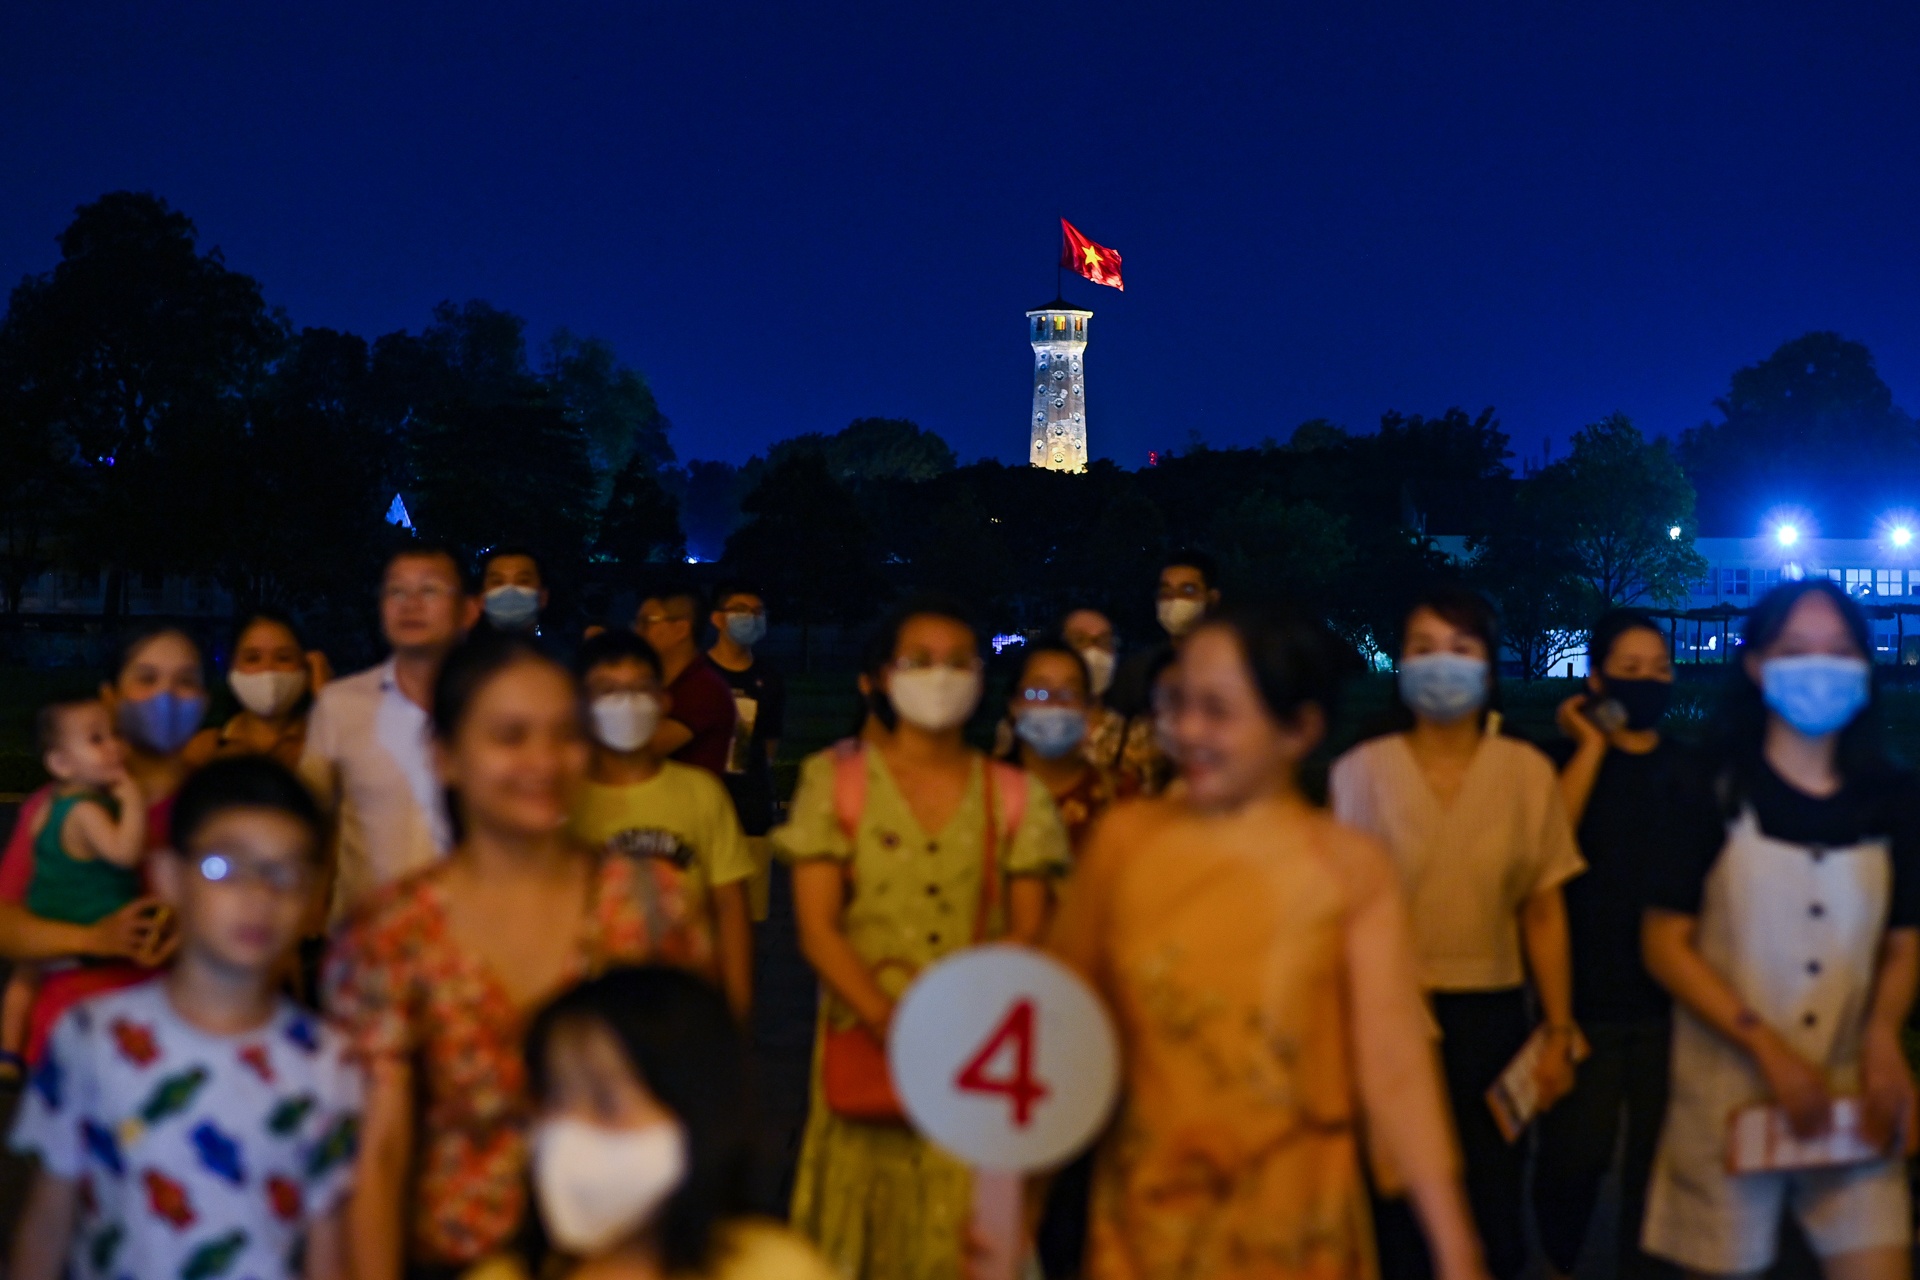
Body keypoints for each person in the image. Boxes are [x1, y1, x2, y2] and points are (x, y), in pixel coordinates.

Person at [1046, 606, 1490, 1280]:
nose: (1188, 730)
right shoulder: (1124, 845)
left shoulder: (1349, 868)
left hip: (1296, 1230)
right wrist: (1005, 1204)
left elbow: (1394, 1062)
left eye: (1218, 710)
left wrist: (1456, 1248)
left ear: (1299, 730)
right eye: (1179, 703)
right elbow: (1050, 1025)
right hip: (1148, 1226)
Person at [328, 634, 712, 1280]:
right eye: (510, 737)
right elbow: (379, 1149)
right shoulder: (392, 933)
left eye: (565, 734)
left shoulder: (651, 905)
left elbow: (694, 1101)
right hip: (454, 1261)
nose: (544, 761)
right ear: (445, 756)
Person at [780, 595, 1069, 1279]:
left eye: (957, 662)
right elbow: (818, 929)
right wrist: (893, 1024)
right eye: (919, 661)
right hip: (865, 1050)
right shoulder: (835, 782)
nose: (940, 676)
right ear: (877, 679)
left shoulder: (1017, 796)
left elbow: (1032, 929)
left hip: (978, 1066)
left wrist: (956, 1025)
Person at [1641, 579, 1920, 1280]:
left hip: (1854, 1099)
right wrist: (1766, 1047)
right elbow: (1664, 942)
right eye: (1796, 650)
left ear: (1865, 665)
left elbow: (1904, 941)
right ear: (1757, 665)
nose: (1819, 666)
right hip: (1728, 1100)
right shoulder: (1705, 790)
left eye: (1839, 650)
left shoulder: (1894, 800)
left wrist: (1885, 1034)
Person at [8, 755, 363, 1280]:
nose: (256, 896)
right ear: (168, 877)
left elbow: (328, 1251)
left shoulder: (330, 1064)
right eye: (222, 867)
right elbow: (47, 1221)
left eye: (282, 873)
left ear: (311, 895)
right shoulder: (92, 1038)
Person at [1328, 585, 1583, 1280]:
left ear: (1489, 665)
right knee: (1395, 1222)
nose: (1442, 664)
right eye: (1423, 648)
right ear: (1399, 662)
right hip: (1388, 1026)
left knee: (1493, 1214)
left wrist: (1558, 1032)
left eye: (1462, 649)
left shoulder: (1526, 773)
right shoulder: (1360, 773)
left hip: (1495, 1023)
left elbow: (1543, 910)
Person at [1533, 610, 1685, 1280]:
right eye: (1629, 670)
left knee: (1659, 1177)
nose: (1647, 682)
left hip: (1671, 1008)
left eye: (1659, 668)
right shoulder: (1559, 763)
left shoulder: (1690, 770)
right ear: (1594, 679)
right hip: (1583, 1002)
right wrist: (1591, 749)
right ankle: (1561, 1264)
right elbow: (1544, 855)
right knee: (1572, 1161)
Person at [519, 965, 836, 1280]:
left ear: (698, 1114)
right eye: (554, 1102)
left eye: (607, 1105)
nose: (567, 1133)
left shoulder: (776, 1271)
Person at [569, 629, 757, 1019]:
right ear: (579, 706)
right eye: (607, 691)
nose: (626, 704)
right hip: (595, 1013)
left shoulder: (701, 792)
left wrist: (738, 1008)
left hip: (688, 1009)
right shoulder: (562, 801)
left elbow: (730, 908)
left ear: (664, 700)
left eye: (640, 689)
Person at [299, 545, 476, 922]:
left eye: (429, 590)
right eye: (396, 591)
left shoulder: (495, 709)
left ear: (468, 611)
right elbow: (306, 823)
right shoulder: (339, 705)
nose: (410, 604)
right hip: (365, 945)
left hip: (473, 942)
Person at [0, 699, 149, 1075]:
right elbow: (124, 854)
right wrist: (133, 803)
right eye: (97, 740)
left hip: (44, 911)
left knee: (23, 982)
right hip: (83, 919)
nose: (114, 746)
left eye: (115, 734)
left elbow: (39, 850)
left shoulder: (48, 804)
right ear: (62, 764)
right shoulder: (87, 811)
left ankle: (7, 1053)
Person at [707, 583, 787, 915]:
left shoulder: (769, 677)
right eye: (741, 610)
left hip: (753, 805)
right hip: (707, 806)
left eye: (757, 612)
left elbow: (770, 741)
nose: (751, 618)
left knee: (750, 911)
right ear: (717, 619)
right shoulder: (699, 673)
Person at [1005, 635, 1114, 857]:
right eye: (1038, 691)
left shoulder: (1118, 797)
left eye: (1070, 692)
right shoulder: (983, 793)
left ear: (1087, 708)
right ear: (1014, 705)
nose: (1055, 702)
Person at [198, 609, 328, 769]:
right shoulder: (203, 750)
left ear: (306, 667)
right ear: (232, 668)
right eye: (252, 658)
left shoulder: (327, 745)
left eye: (284, 658)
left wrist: (327, 699)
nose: (268, 669)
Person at [635, 585, 738, 778]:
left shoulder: (704, 689)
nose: (637, 631)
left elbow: (639, 750)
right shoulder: (658, 684)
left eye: (646, 622)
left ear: (681, 629)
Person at [477, 545, 549, 636]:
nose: (509, 591)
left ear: (543, 597)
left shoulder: (559, 649)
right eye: (497, 582)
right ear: (481, 598)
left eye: (523, 581)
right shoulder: (462, 649)